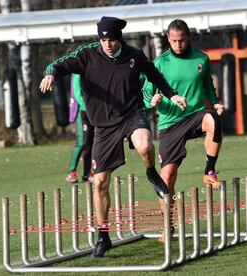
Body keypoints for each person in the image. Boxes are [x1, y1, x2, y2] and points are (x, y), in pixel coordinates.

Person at [39, 16, 186, 258]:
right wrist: (51, 73)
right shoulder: (87, 54)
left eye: (111, 39)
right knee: (100, 183)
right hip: (103, 125)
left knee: (145, 144)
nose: (107, 44)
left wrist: (172, 94)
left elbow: (155, 76)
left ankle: (151, 171)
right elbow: (60, 63)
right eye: (103, 39)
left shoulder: (134, 55)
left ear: (120, 39)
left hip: (131, 113)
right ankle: (103, 236)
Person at [142, 19, 224, 241]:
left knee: (213, 121)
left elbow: (207, 85)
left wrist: (215, 102)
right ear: (168, 39)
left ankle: (209, 172)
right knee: (167, 176)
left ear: (189, 38)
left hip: (196, 113)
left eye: (182, 40)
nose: (177, 45)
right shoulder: (160, 63)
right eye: (173, 41)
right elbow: (146, 92)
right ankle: (167, 225)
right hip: (170, 123)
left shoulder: (201, 59)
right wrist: (153, 100)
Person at [65, 74, 95, 183]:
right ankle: (71, 172)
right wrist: (88, 107)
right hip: (81, 111)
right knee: (82, 142)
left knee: (90, 143)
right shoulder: (78, 72)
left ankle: (87, 174)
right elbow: (77, 93)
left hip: (92, 111)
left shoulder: (92, 68)